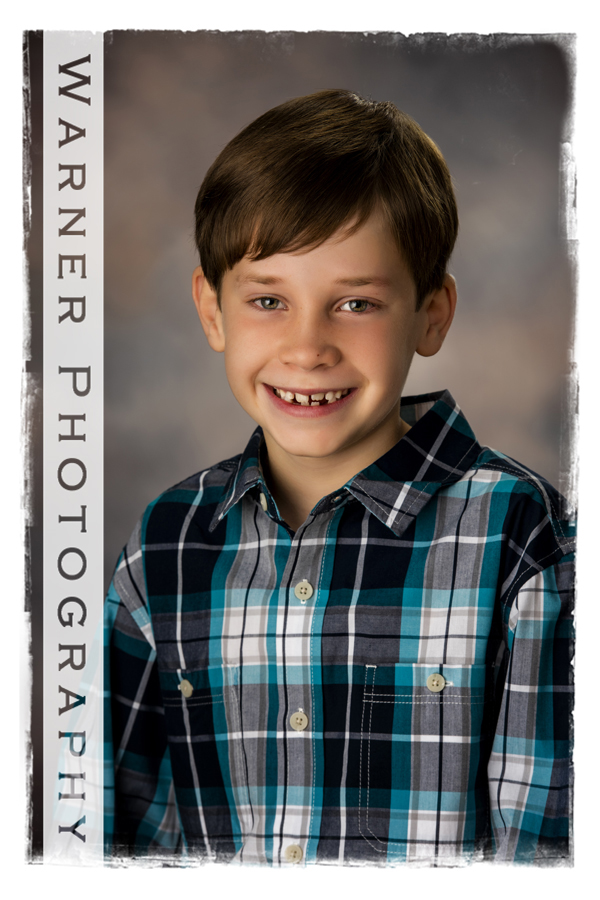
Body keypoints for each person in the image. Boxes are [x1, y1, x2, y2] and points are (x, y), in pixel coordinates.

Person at [104, 90, 575, 867]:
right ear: (211, 309)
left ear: (431, 314)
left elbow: (549, 855)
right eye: (267, 301)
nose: (307, 346)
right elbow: (112, 842)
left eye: (355, 303)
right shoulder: (166, 544)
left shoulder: (524, 539)